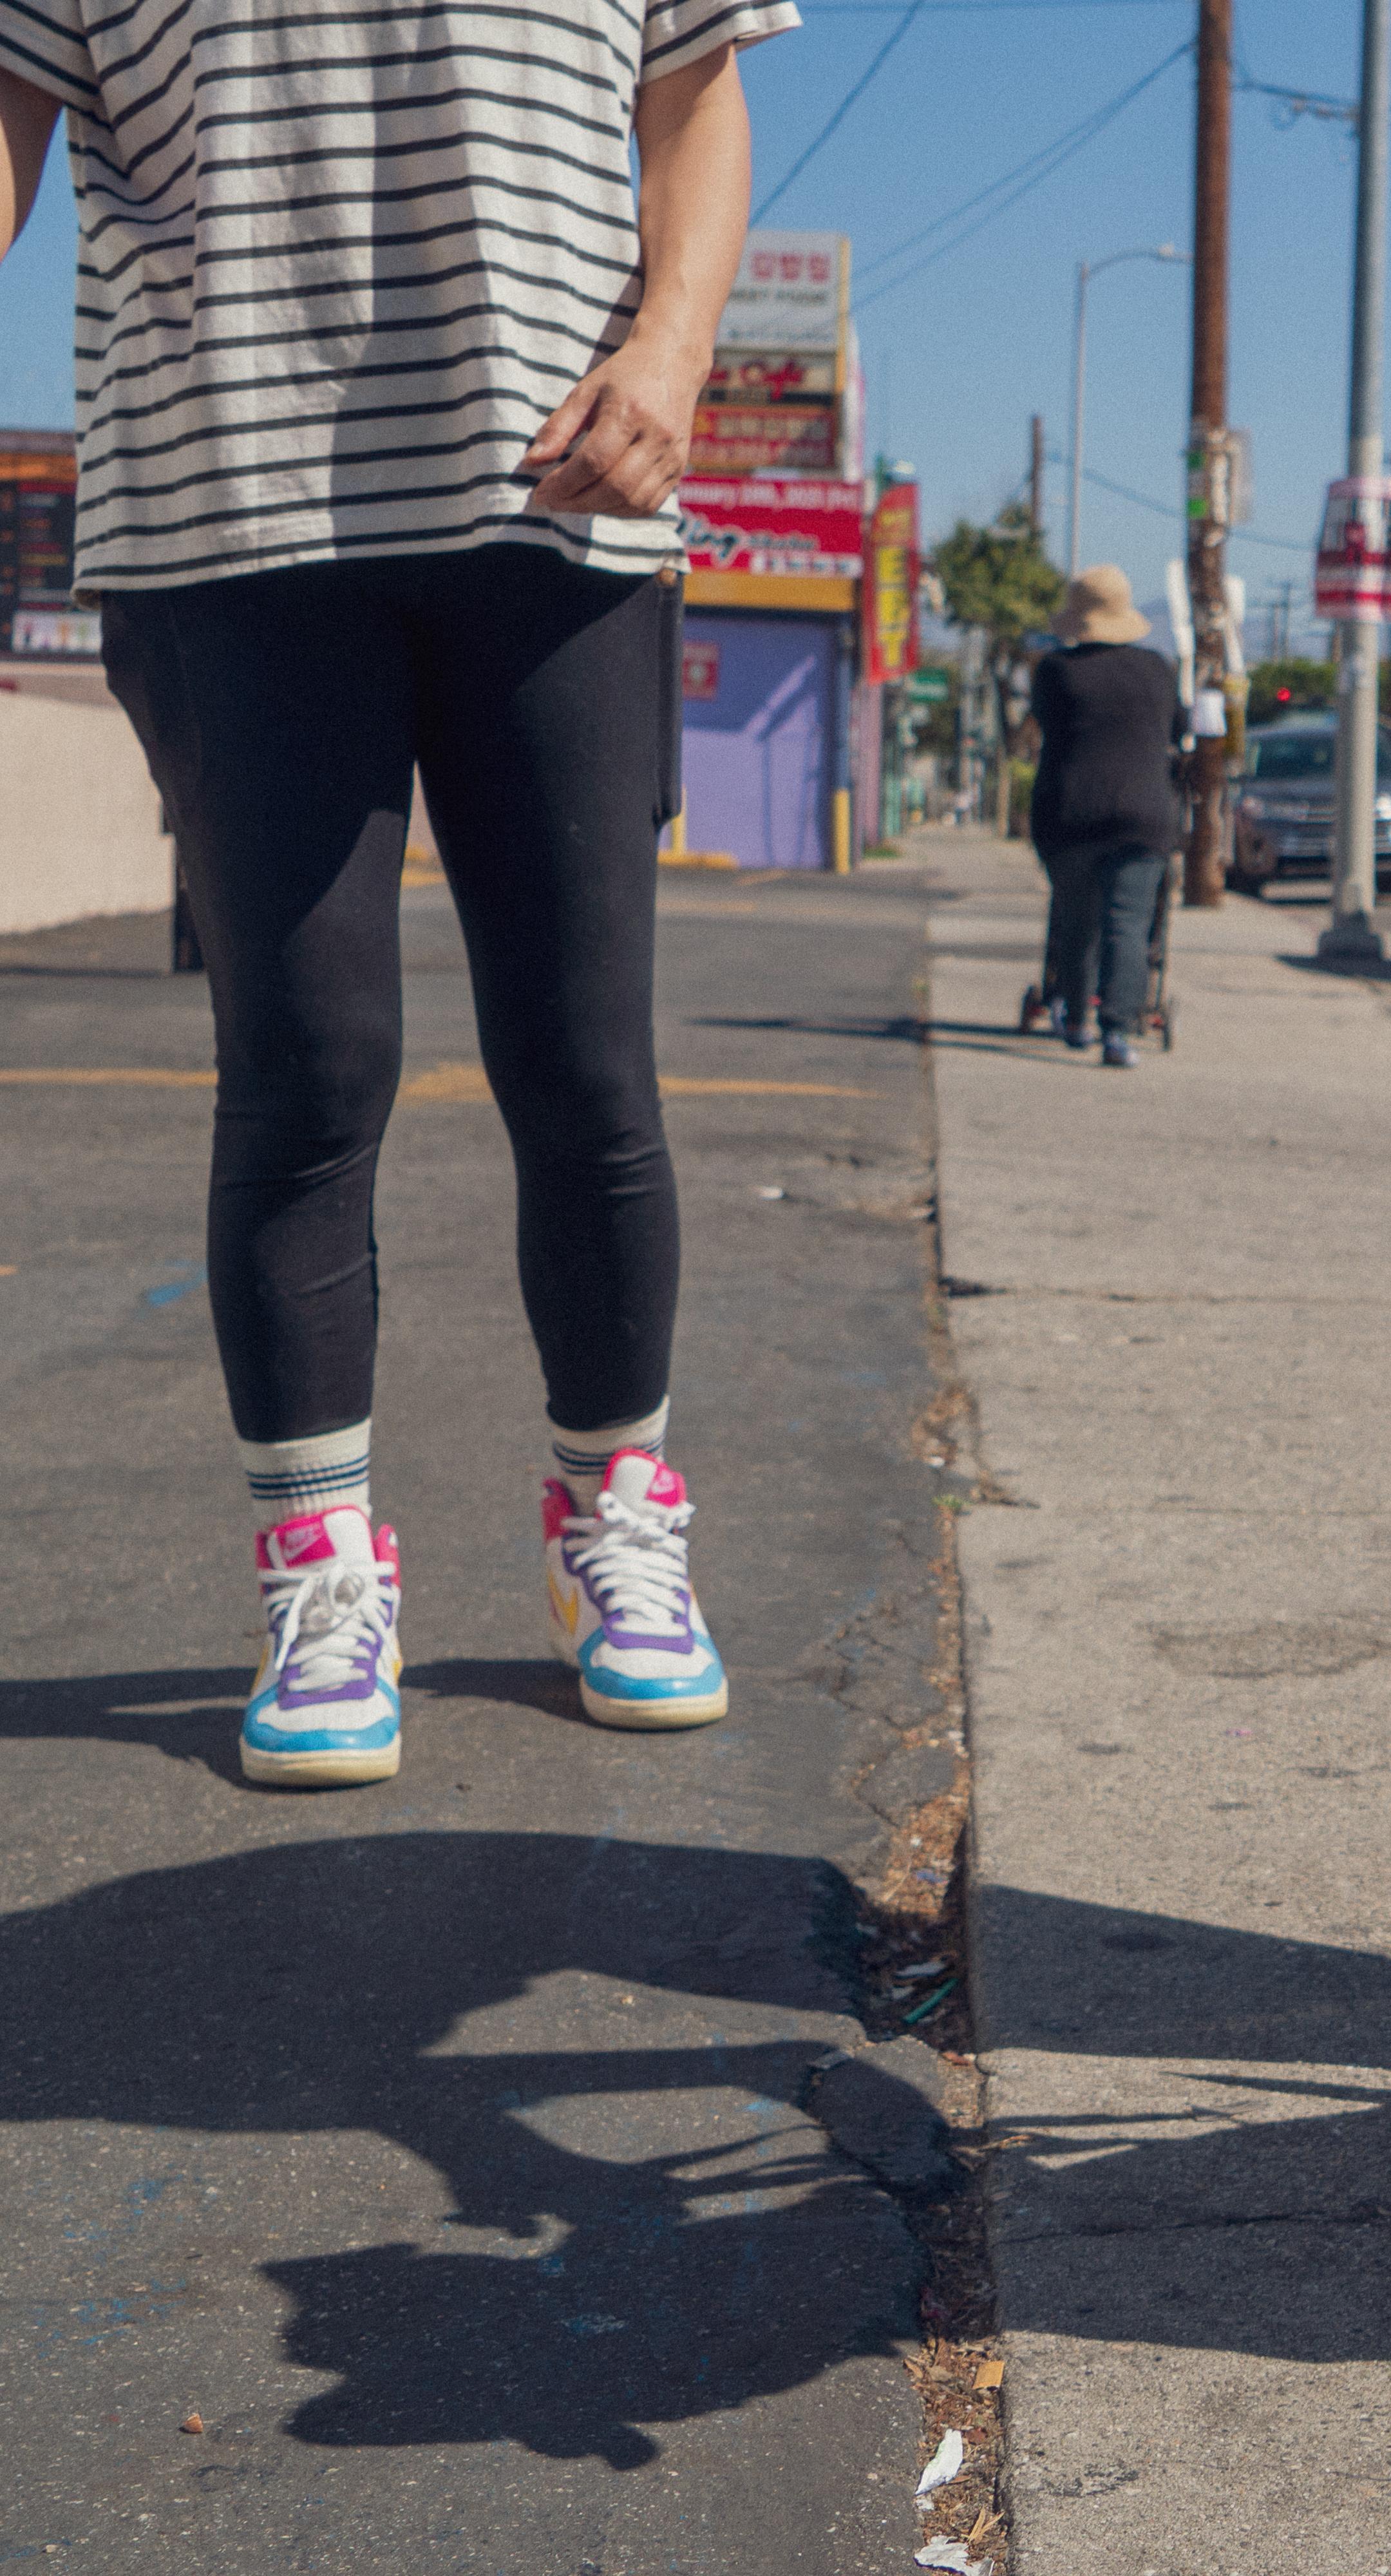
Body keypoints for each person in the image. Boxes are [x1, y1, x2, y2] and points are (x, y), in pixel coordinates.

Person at [0, 0, 793, 1785]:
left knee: (586, 1066)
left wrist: (671, 358)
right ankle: (320, 1569)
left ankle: (619, 1520)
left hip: (567, 506)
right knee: (306, 1067)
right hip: (230, 512)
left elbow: (695, 99)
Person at [1025, 568, 1183, 1070]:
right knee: (1129, 925)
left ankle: (1077, 1021)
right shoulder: (1158, 669)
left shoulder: (1055, 672)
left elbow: (1049, 728)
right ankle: (1118, 1033)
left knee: (1077, 923)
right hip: (1144, 813)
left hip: (1072, 811)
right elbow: (1177, 729)